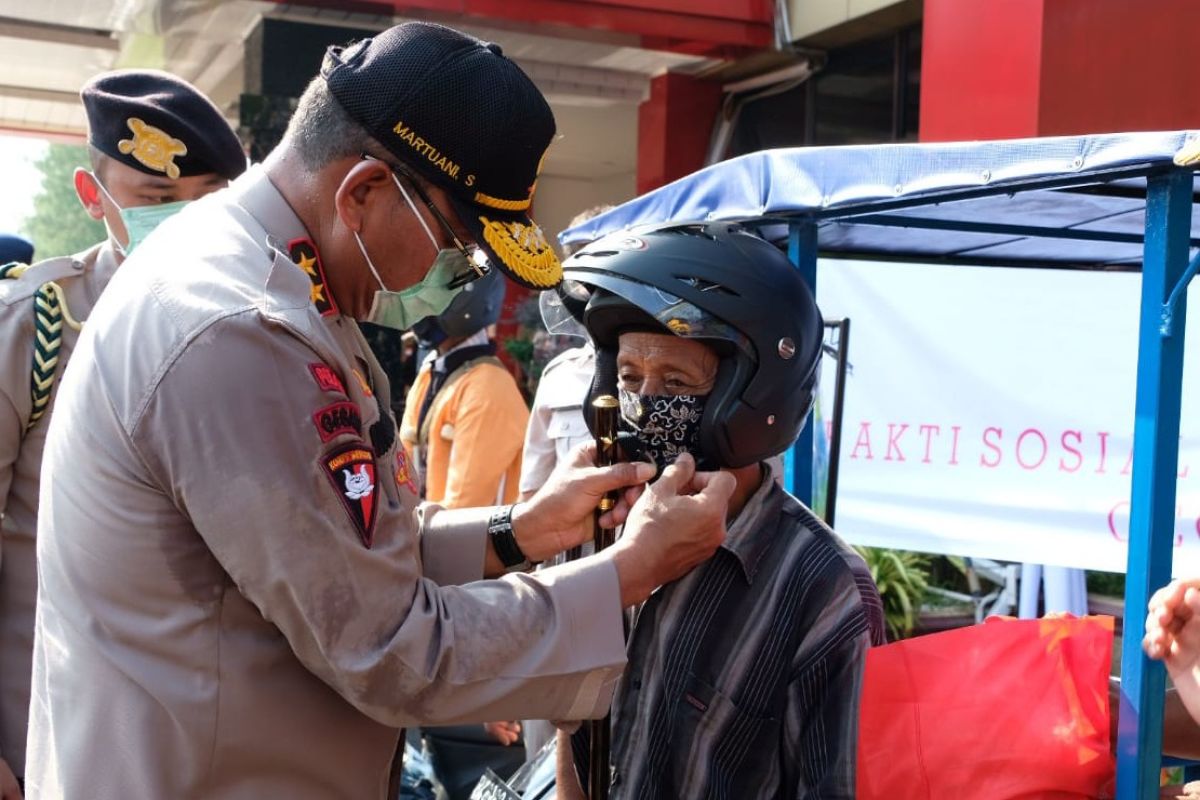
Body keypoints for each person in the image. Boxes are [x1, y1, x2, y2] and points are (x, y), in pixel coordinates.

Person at [25, 22, 731, 799]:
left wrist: (521, 530)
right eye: (457, 244)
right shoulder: (238, 330)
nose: (457, 277)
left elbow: (339, 543)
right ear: (363, 192)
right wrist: (627, 573)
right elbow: (387, 649)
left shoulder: (275, 284)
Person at [552, 222, 885, 799]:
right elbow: (572, 723)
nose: (644, 403)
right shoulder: (598, 524)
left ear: (754, 401)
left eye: (676, 380)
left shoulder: (824, 591)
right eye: (629, 377)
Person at [0, 70, 245, 799]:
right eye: (157, 201)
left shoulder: (252, 330)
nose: (187, 221)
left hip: (199, 741)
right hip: (45, 734)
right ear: (91, 195)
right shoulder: (38, 328)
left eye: (207, 200)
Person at [399, 270, 531, 797]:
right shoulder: (434, 376)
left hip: (474, 587)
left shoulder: (490, 385)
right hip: (431, 570)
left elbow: (467, 507)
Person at [402, 268, 528, 507]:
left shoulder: (488, 385)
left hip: (462, 540)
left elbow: (465, 504)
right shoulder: (432, 368)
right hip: (424, 532)